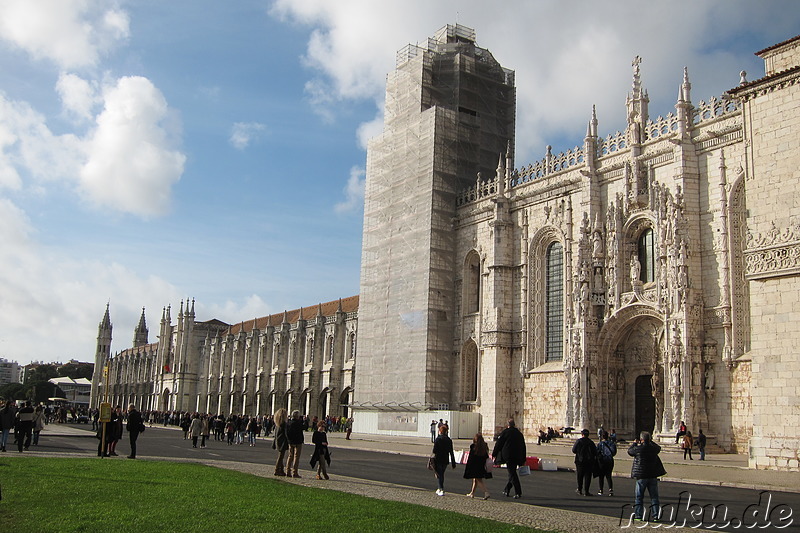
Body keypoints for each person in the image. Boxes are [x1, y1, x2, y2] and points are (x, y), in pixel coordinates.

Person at [628, 431, 667, 522]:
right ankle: (656, 516)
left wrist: (634, 443)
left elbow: (630, 451)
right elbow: (658, 447)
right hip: (652, 475)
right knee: (654, 497)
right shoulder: (653, 449)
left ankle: (638, 515)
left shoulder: (638, 449)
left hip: (642, 476)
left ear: (641, 439)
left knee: (639, 497)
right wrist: (650, 441)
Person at [492, 418, 527, 499]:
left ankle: (518, 492)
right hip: (517, 456)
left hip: (509, 456)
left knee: (512, 474)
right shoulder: (519, 433)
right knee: (512, 473)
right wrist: (523, 458)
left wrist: (494, 453)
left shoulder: (505, 432)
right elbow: (523, 446)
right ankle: (506, 489)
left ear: (507, 425)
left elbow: (499, 444)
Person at [464, 433, 491, 500]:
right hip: (482, 464)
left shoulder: (473, 446)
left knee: (479, 480)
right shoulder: (484, 446)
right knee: (475, 479)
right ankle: (472, 493)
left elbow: (471, 457)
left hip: (474, 465)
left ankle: (486, 492)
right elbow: (486, 456)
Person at [432, 424, 456, 496]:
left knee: (440, 474)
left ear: (440, 431)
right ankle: (439, 488)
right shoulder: (449, 440)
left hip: (438, 458)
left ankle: (441, 488)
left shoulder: (438, 439)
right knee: (441, 473)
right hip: (445, 459)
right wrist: (453, 463)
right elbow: (451, 452)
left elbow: (434, 450)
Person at [572, 428, 597, 496]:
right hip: (589, 461)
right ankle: (586, 491)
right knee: (588, 476)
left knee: (580, 476)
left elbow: (573, 450)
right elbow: (595, 452)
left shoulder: (579, 441)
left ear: (582, 434)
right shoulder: (591, 442)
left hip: (580, 461)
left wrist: (579, 452)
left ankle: (579, 489)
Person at [595, 431, 617, 496]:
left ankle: (601, 490)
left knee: (601, 476)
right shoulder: (612, 444)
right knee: (608, 476)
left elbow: (597, 452)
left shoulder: (600, 444)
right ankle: (610, 489)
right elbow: (614, 452)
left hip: (602, 461)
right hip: (610, 460)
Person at [285, 410, 305, 478]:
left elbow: (287, 433)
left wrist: (289, 440)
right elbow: (304, 427)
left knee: (290, 456)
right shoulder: (298, 423)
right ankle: (295, 472)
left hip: (291, 442)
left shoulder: (289, 423)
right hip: (298, 442)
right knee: (296, 457)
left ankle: (288, 471)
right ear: (297, 416)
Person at [272, 408, 289, 476]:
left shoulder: (277, 423)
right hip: (282, 442)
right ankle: (276, 470)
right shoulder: (283, 424)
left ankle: (281, 470)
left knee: (280, 456)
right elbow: (286, 434)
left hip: (278, 442)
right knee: (280, 457)